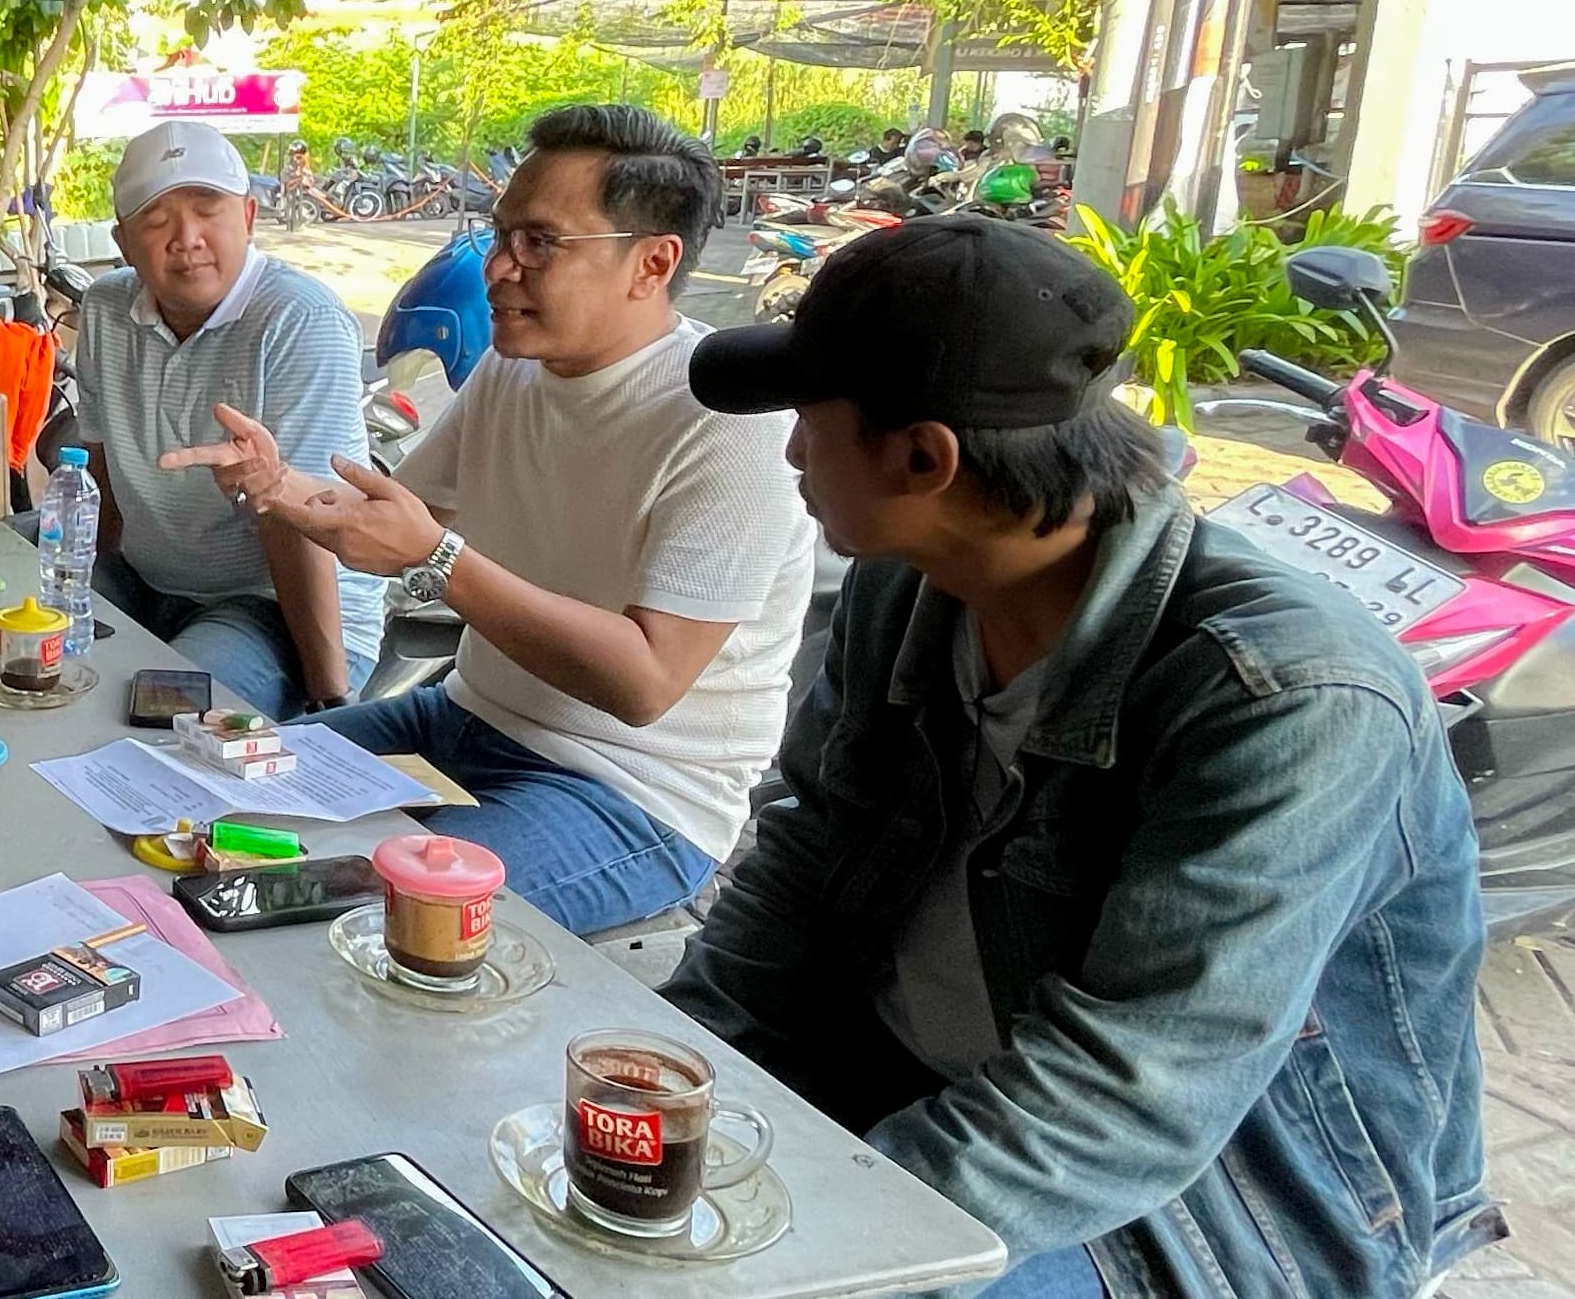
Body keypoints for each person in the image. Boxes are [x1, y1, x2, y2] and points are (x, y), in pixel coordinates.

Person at [663, 217, 1499, 1297]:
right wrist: (676, 1061)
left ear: (923, 457)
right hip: (909, 1079)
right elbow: (808, 851)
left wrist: (826, 1254)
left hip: (1197, 1201)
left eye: (809, 424)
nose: (790, 454)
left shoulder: (1283, 697)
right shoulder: (904, 585)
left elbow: (1128, 1094)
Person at [164, 105, 814, 932]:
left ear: (652, 263)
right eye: (501, 234)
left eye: (540, 243)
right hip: (461, 716)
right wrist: (280, 485)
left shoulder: (729, 419)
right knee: (190, 799)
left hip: (630, 790)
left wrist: (439, 559)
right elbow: (390, 523)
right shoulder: (515, 372)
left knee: (365, 922)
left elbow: (644, 682)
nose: (499, 268)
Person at [80, 119, 383, 718]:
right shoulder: (106, 308)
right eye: (157, 219)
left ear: (247, 217)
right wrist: (96, 575)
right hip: (151, 581)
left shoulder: (299, 319)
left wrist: (328, 698)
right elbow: (103, 464)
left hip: (275, 606)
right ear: (123, 242)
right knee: (12, 641)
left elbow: (307, 518)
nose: (186, 238)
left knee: (165, 722)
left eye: (207, 210)